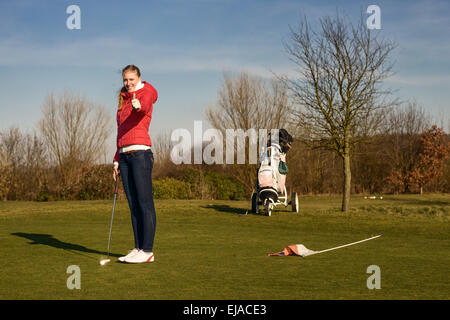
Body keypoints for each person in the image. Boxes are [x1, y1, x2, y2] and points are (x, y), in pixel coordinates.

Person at [113, 64, 158, 263]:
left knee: (144, 203)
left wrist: (139, 105)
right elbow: (121, 131)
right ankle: (138, 247)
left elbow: (145, 106)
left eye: (131, 79)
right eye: (125, 80)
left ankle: (147, 251)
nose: (128, 83)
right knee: (133, 205)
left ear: (139, 78)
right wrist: (116, 159)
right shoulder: (123, 98)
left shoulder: (145, 91)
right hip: (124, 156)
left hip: (140, 154)